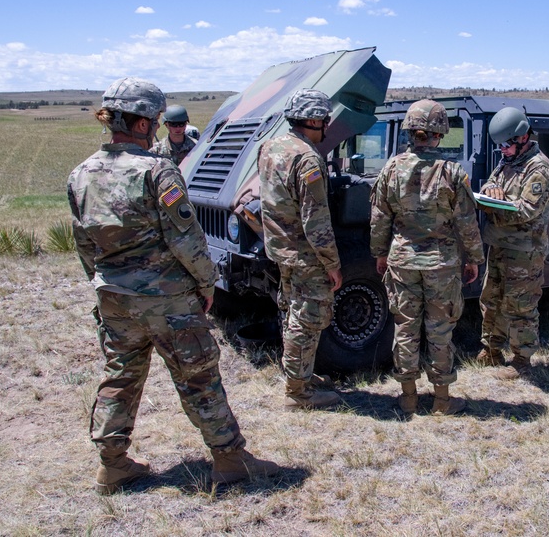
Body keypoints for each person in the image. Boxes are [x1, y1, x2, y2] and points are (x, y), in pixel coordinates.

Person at [67, 77, 277, 495]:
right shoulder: (157, 171)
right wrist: (206, 284)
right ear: (143, 123)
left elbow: (84, 243)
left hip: (114, 299)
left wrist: (107, 281)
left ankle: (112, 465)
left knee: (119, 377)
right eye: (157, 120)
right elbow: (187, 239)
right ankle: (230, 460)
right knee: (198, 375)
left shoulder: (80, 174)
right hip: (168, 302)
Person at [370, 99, 484, 415]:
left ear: (410, 131)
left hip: (402, 262)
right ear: (440, 134)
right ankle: (442, 400)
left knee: (405, 327)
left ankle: (407, 397)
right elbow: (466, 221)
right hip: (441, 265)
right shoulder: (453, 173)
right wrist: (474, 258)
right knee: (440, 330)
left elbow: (380, 216)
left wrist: (380, 253)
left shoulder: (391, 169)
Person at [258, 89, 343, 410]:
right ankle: (298, 392)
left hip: (281, 250)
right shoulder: (307, 158)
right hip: (306, 254)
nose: (327, 125)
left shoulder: (270, 147)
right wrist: (332, 263)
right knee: (307, 319)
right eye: (324, 120)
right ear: (311, 119)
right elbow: (315, 218)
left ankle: (300, 375)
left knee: (292, 312)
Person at [475, 107, 549, 379]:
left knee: (520, 305)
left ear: (522, 137)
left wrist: (493, 207)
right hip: (500, 245)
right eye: (499, 146)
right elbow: (491, 182)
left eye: (506, 145)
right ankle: (491, 350)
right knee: (491, 298)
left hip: (525, 251)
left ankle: (522, 359)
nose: (502, 150)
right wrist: (488, 190)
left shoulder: (540, 169)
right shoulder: (507, 161)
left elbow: (525, 211)